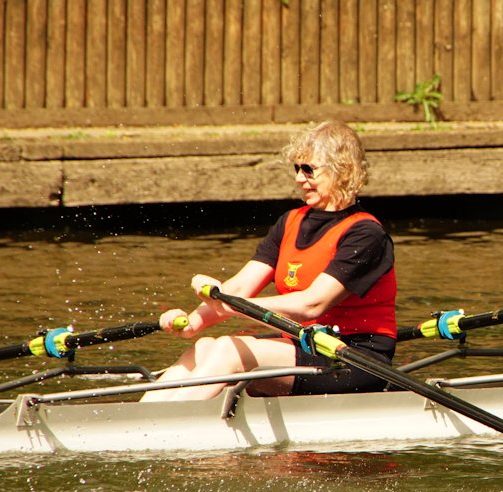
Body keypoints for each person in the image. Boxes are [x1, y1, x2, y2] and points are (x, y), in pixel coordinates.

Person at [142, 120, 396, 401]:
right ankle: (136, 421)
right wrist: (192, 322)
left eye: (309, 169)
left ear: (343, 170)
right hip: (306, 348)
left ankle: (163, 429)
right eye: (297, 169)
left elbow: (311, 305)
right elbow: (238, 290)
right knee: (204, 347)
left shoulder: (365, 234)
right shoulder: (290, 222)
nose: (300, 178)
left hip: (354, 359)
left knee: (230, 348)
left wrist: (231, 306)